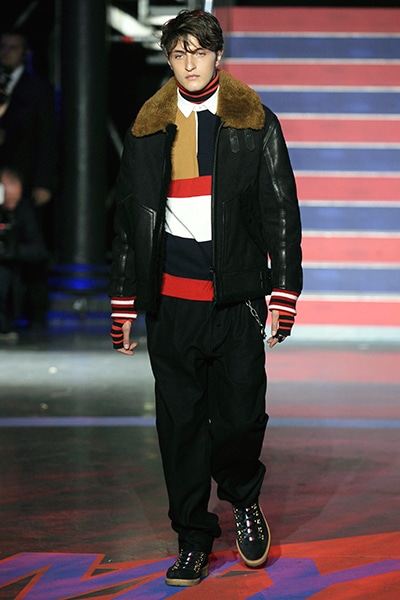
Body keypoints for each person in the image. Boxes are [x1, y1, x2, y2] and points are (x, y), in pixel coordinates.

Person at [109, 9, 302, 588]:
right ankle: (192, 539)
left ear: (218, 55)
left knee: (241, 418)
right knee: (181, 427)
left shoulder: (254, 122)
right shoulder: (147, 128)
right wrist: (124, 300)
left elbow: (280, 210)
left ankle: (244, 498)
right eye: (179, 52)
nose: (189, 63)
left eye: (199, 51)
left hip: (236, 301)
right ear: (168, 59)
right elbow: (129, 220)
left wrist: (284, 292)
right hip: (172, 307)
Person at [0, 30, 58, 328]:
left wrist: (43, 182)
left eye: (14, 47)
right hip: (4, 178)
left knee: (29, 246)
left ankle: (34, 313)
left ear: (25, 52)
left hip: (24, 181)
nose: (7, 52)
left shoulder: (37, 88)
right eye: (3, 47)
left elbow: (47, 138)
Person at [0, 167, 47, 340]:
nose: (12, 206)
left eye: (15, 201)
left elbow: (39, 250)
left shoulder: (22, 210)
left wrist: (11, 250)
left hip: (11, 269)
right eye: (8, 200)